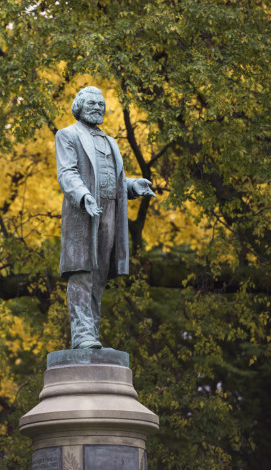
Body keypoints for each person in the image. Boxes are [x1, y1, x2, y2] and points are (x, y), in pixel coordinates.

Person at [55, 86, 156, 349]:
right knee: (81, 272)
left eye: (101, 104)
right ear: (79, 105)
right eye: (92, 103)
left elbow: (113, 180)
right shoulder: (68, 135)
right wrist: (83, 196)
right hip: (82, 214)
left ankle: (92, 335)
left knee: (98, 275)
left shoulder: (110, 141)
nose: (98, 107)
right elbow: (67, 173)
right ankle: (81, 335)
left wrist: (133, 186)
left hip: (109, 214)